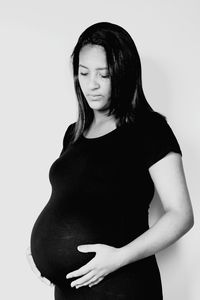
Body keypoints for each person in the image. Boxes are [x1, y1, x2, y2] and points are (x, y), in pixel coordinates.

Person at [28, 22, 194, 299]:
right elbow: (71, 200)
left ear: (123, 74)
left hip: (120, 285)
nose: (90, 84)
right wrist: (41, 253)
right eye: (83, 73)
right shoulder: (74, 133)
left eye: (103, 75)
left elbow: (181, 215)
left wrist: (119, 257)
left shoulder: (149, 129)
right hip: (69, 289)